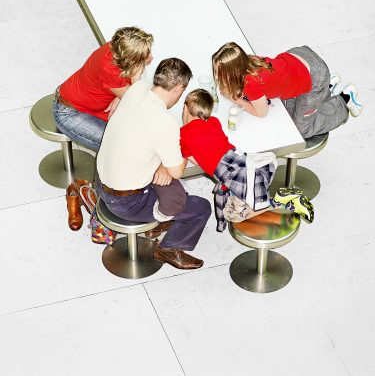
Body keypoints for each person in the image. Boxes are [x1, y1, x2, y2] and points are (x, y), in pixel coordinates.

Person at [96, 58, 212, 270]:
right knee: (201, 208)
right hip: (127, 202)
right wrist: (186, 137)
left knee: (172, 189)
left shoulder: (136, 90)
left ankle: (160, 223)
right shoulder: (164, 122)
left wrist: (162, 164)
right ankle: (168, 249)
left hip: (102, 182)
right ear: (179, 88)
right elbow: (176, 171)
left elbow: (144, 136)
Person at [180, 89, 315, 229]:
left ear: (185, 108)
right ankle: (287, 202)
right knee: (246, 201)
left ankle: (281, 201)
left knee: (234, 216)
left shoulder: (183, 135)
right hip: (243, 161)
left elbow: (194, 160)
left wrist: (184, 129)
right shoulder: (214, 122)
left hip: (234, 175)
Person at [212, 42, 363, 139]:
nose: (218, 75)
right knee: (286, 111)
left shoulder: (250, 82)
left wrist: (234, 98)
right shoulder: (248, 61)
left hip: (315, 77)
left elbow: (261, 113)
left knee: (300, 129)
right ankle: (328, 86)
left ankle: (343, 100)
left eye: (221, 72)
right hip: (300, 56)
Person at [53, 26, 154, 152]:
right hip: (70, 112)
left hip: (93, 105)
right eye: (144, 56)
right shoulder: (110, 69)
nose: (151, 58)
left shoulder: (117, 47)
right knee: (120, 148)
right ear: (129, 60)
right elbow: (139, 102)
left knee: (141, 134)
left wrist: (119, 95)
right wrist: (135, 79)